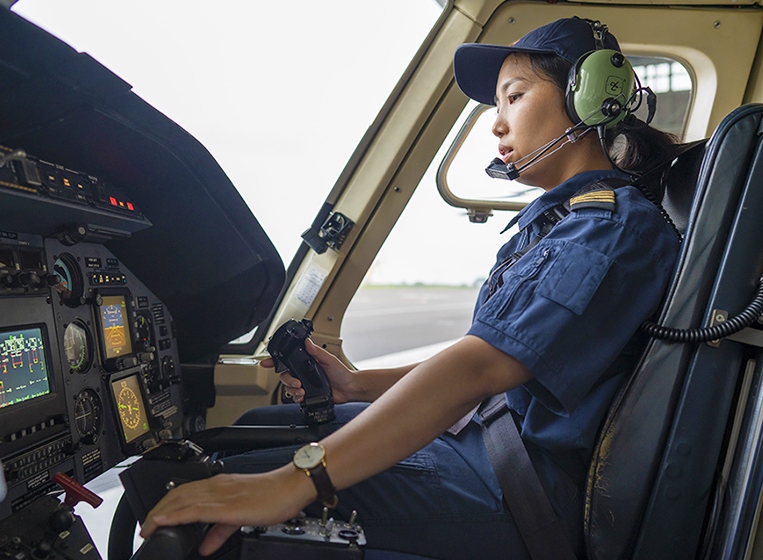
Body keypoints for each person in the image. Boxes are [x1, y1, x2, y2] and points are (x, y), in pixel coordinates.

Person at [141, 16, 681, 560]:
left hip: (517, 488)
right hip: (486, 444)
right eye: (496, 105)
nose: (496, 124)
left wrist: (288, 486)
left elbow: (481, 368)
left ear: (592, 98)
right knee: (253, 428)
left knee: (205, 495)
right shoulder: (560, 223)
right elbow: (494, 360)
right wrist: (356, 385)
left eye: (513, 96)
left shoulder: (611, 229)